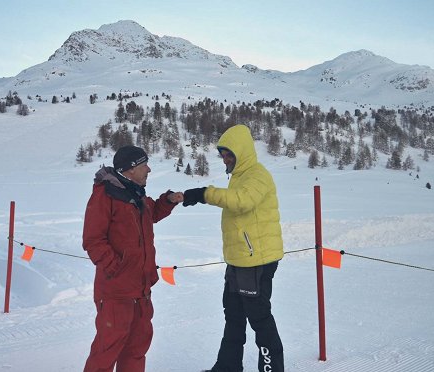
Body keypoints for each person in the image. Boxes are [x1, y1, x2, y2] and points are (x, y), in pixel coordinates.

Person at [183, 124, 285, 372]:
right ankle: (227, 368)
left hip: (256, 262)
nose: (226, 159)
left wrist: (203, 193)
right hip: (238, 261)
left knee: (260, 320)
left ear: (243, 151)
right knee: (233, 317)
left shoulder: (257, 175)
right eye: (223, 155)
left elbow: (242, 202)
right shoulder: (240, 177)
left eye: (230, 154)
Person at [82, 145, 183, 372]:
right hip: (117, 292)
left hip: (142, 290)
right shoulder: (105, 195)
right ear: (129, 169)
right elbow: (93, 240)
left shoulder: (136, 194)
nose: (149, 169)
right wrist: (116, 269)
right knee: (106, 352)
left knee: (136, 350)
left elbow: (151, 213)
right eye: (143, 165)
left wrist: (168, 201)